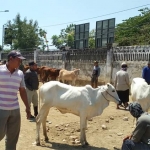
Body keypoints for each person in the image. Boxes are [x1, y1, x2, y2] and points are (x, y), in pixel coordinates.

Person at [0, 50, 31, 150]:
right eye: (18, 60)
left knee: (12, 138)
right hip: (1, 108)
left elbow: (22, 91)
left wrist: (27, 107)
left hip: (15, 109)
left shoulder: (20, 74)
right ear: (10, 59)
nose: (20, 62)